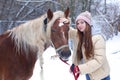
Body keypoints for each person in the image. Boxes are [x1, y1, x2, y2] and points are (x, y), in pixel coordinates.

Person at [69, 11, 110, 80]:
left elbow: (99, 60)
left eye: (82, 22)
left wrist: (80, 68)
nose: (79, 25)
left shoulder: (97, 38)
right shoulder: (81, 36)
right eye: (77, 23)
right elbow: (67, 32)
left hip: (102, 77)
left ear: (88, 23)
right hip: (89, 75)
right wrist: (63, 22)